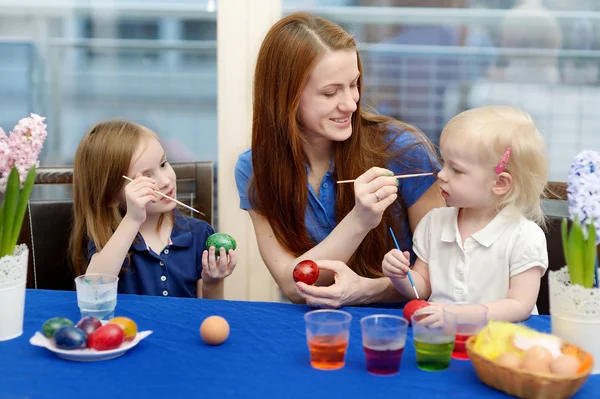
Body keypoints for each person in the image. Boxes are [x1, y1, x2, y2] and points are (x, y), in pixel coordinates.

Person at [234, 12, 445, 308]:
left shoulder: (405, 150)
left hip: (399, 325)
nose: (350, 103)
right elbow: (292, 284)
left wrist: (366, 289)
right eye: (330, 92)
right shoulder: (255, 168)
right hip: (313, 328)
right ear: (285, 98)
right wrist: (360, 219)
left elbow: (440, 272)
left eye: (354, 84)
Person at [382, 105, 549, 323]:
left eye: (457, 170)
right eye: (444, 163)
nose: (441, 174)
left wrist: (456, 315)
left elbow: (519, 306)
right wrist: (401, 276)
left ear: (499, 183)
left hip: (498, 344)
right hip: (442, 338)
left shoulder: (524, 236)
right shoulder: (434, 222)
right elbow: (421, 287)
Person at [69, 120, 237, 299]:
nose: (165, 181)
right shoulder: (108, 238)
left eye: (164, 164)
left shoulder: (198, 233)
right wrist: (133, 220)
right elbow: (93, 291)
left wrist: (214, 283)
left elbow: (211, 314)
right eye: (147, 177)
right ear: (110, 197)